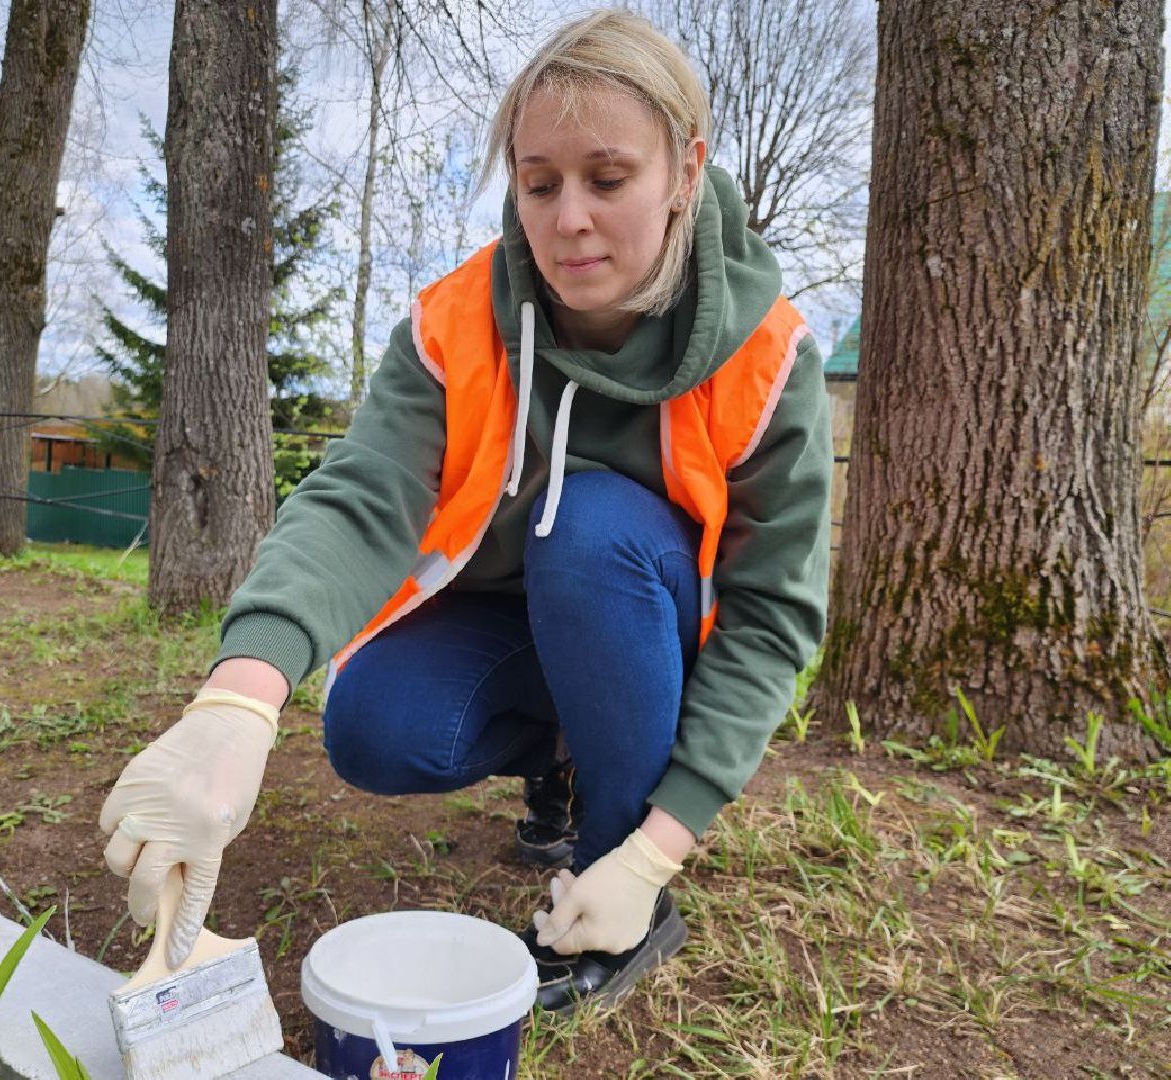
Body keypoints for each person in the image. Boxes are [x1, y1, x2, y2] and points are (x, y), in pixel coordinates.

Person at [99, 9, 831, 1014]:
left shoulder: (770, 356)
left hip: (651, 618)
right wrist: (238, 698)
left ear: (686, 172)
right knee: (377, 725)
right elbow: (363, 495)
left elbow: (771, 614)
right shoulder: (459, 322)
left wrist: (657, 851)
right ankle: (569, 753)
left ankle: (618, 873)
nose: (568, 218)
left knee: (590, 528)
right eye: (539, 184)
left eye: (608, 179)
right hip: (524, 620)